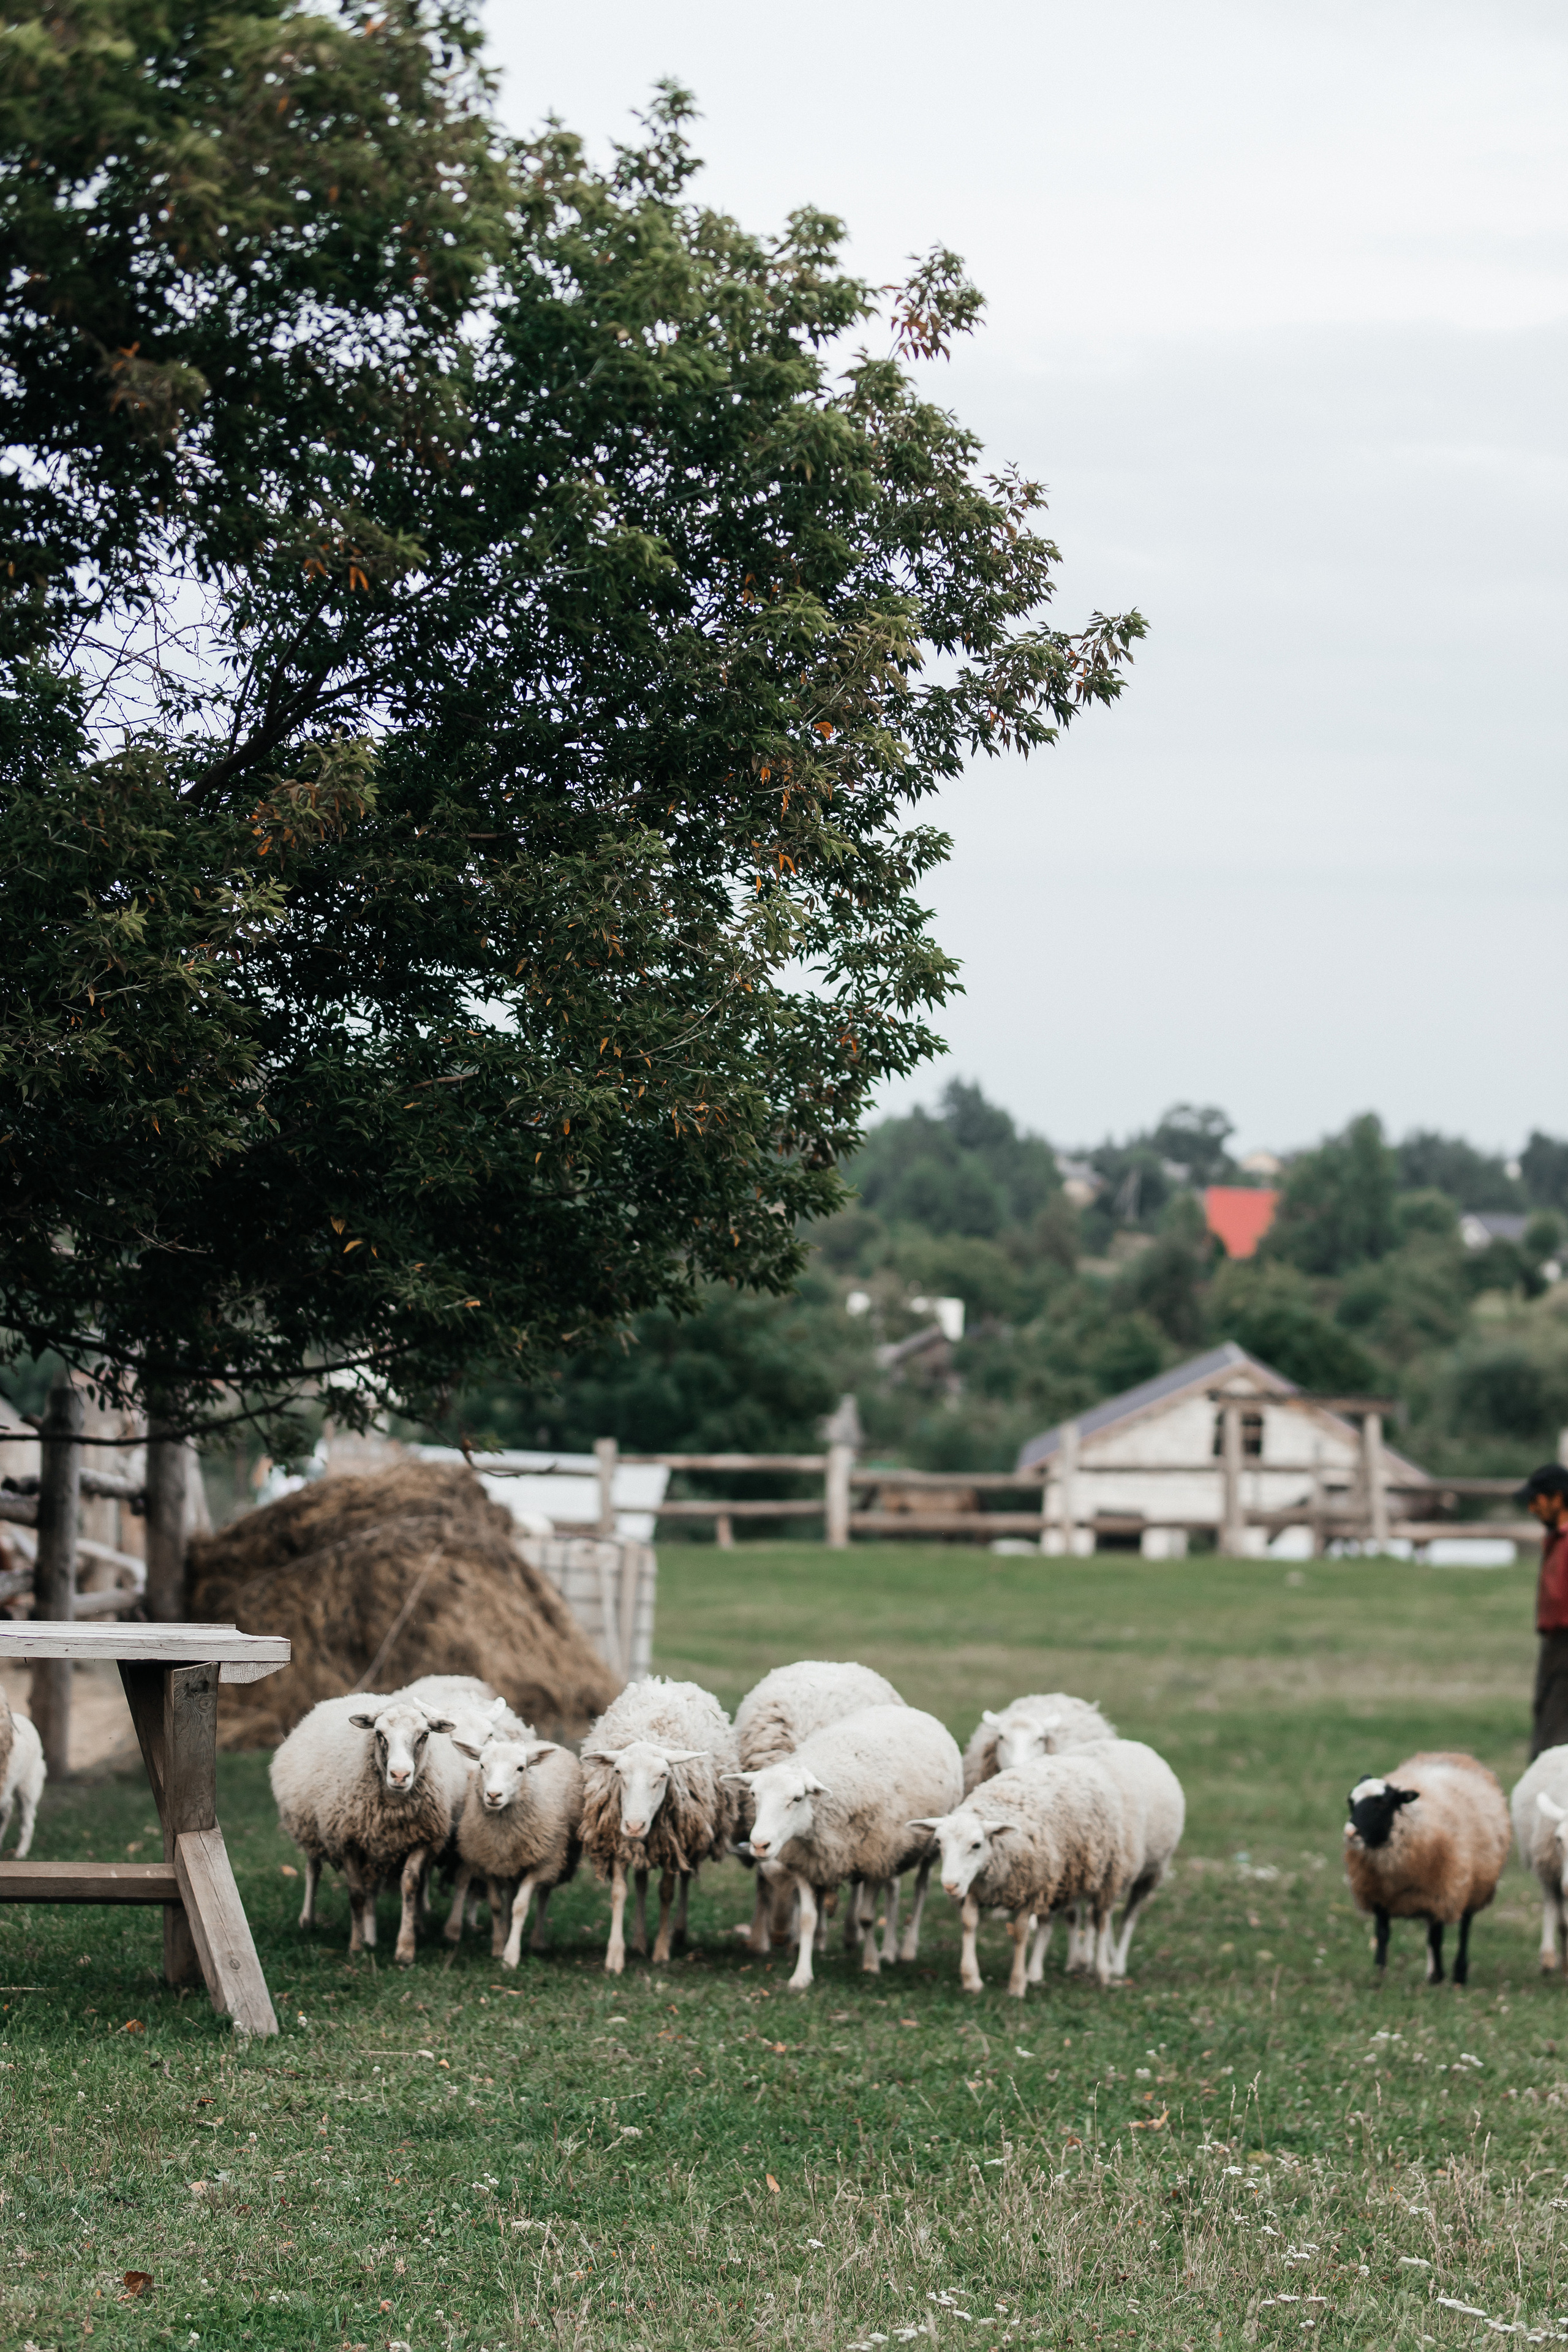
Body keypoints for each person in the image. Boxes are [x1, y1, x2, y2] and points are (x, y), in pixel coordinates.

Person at [1520, 1463, 1568, 1757]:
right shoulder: (1556, 1540)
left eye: (1537, 1500)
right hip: (1555, 1646)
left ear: (1558, 1498)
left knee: (1552, 1743)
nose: (1532, 1509)